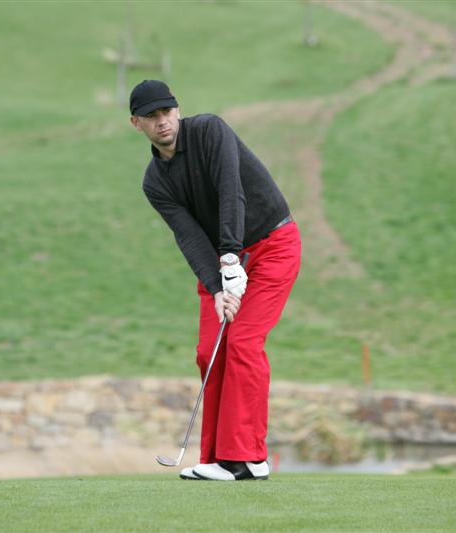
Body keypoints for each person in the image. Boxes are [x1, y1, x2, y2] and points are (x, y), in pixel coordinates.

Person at [129, 80, 301, 481]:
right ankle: (215, 458)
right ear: (136, 123)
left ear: (177, 110)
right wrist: (217, 284)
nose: (162, 121)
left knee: (243, 342)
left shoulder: (210, 130)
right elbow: (188, 236)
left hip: (272, 244)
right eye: (151, 116)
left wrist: (230, 257)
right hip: (223, 262)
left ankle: (247, 459)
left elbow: (230, 192)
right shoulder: (155, 182)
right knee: (211, 351)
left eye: (167, 112)